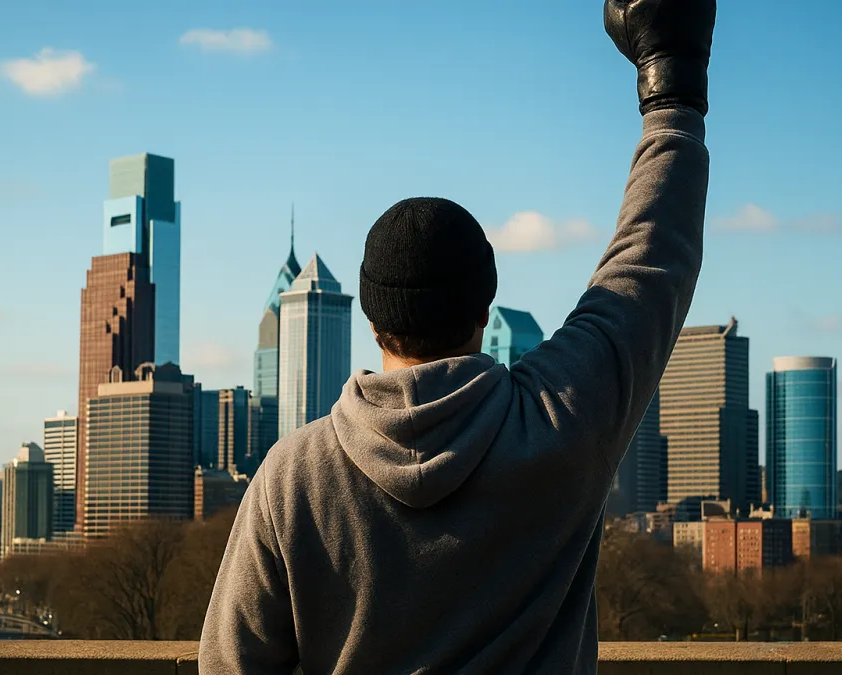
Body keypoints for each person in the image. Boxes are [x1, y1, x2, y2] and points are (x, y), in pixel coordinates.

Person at [199, 0, 714, 671]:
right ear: (484, 308)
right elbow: (649, 262)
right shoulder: (561, 422)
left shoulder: (292, 478)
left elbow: (229, 665)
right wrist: (670, 84)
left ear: (371, 318)